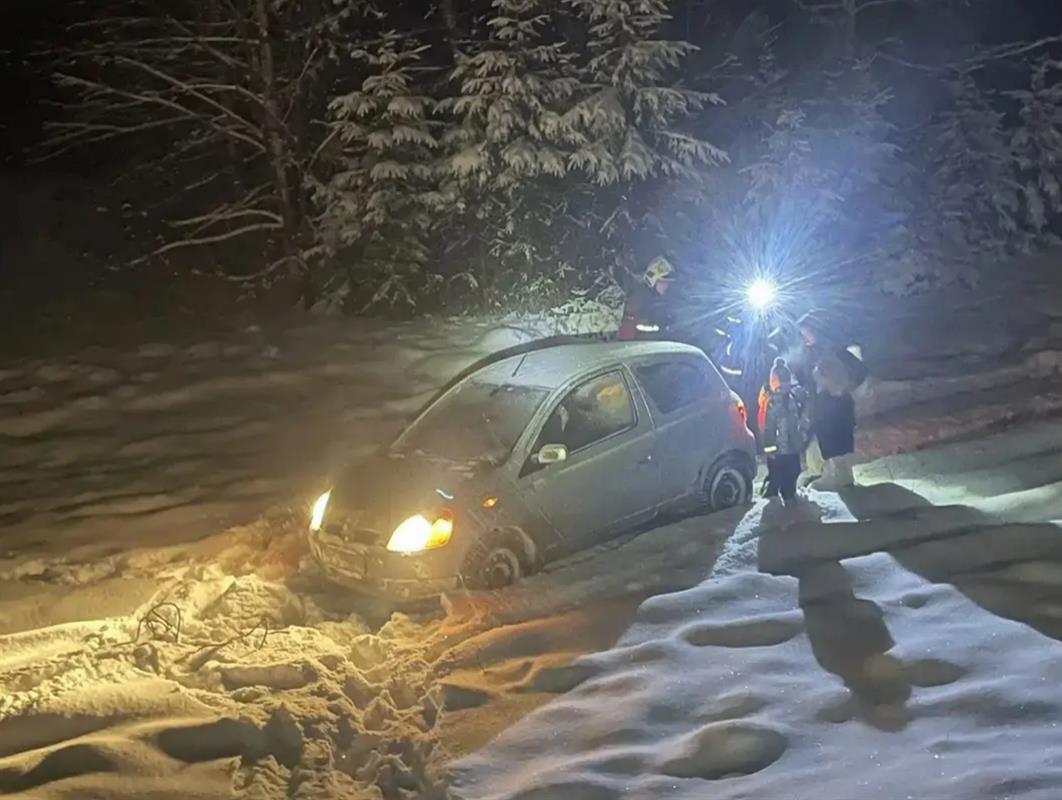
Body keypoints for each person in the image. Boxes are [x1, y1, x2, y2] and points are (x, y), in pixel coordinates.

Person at [762, 358, 809, 503]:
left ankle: (790, 495)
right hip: (779, 450)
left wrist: (801, 437)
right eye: (781, 383)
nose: (784, 386)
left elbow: (800, 418)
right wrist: (770, 451)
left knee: (793, 471)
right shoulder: (771, 404)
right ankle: (773, 497)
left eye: (787, 382)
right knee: (777, 476)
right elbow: (768, 429)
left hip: (793, 447)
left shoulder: (794, 398)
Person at [810, 354, 857, 490]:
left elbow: (828, 425)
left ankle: (838, 477)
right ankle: (842, 475)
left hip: (836, 444)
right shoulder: (841, 398)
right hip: (839, 443)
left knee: (839, 459)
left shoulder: (832, 401)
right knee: (840, 458)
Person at [617, 257, 676, 341]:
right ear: (652, 280)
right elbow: (628, 326)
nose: (667, 286)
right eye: (663, 282)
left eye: (668, 283)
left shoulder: (659, 298)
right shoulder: (639, 297)